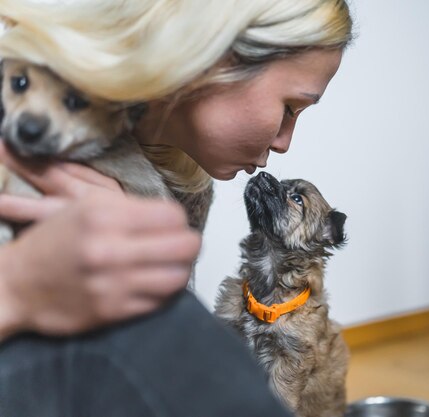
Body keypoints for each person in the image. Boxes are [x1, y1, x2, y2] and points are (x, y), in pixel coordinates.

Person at [0, 1, 353, 416]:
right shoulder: (21, 103)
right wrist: (17, 286)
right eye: (290, 107)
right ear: (218, 60)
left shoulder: (185, 182)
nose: (284, 142)